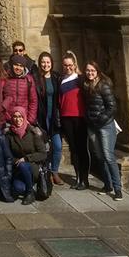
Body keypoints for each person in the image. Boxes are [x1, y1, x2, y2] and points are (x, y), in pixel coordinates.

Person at [83, 61, 122, 199]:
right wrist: (89, 118)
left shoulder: (103, 86)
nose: (90, 73)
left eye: (92, 70)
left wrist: (101, 118)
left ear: (97, 71)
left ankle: (117, 189)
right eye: (87, 70)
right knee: (99, 156)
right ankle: (107, 184)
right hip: (92, 125)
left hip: (105, 125)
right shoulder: (87, 85)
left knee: (108, 156)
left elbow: (112, 107)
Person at [59, 51, 89, 190]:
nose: (68, 67)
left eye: (70, 65)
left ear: (74, 65)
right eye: (65, 65)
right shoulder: (60, 79)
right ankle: (78, 177)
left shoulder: (81, 79)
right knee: (73, 149)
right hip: (66, 117)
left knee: (82, 148)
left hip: (80, 117)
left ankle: (85, 179)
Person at [7, 106, 48, 205]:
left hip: (33, 167)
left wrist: (26, 158)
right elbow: (8, 155)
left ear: (24, 117)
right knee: (18, 188)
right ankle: (29, 186)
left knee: (23, 165)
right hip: (18, 168)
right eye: (15, 117)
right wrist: (16, 161)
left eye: (20, 116)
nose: (18, 119)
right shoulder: (9, 135)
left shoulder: (33, 133)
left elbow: (43, 154)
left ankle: (30, 193)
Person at [35, 52, 63, 186]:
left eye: (48, 62)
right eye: (43, 62)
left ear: (51, 63)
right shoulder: (36, 78)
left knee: (57, 146)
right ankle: (46, 173)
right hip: (42, 117)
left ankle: (55, 171)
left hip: (54, 118)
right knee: (44, 147)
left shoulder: (56, 77)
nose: (46, 65)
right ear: (40, 63)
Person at [2, 54, 38, 124]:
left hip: (24, 119)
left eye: (21, 66)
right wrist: (6, 116)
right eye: (16, 65)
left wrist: (29, 119)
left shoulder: (29, 79)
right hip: (8, 119)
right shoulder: (5, 78)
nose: (18, 68)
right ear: (11, 65)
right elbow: (1, 99)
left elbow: (33, 101)